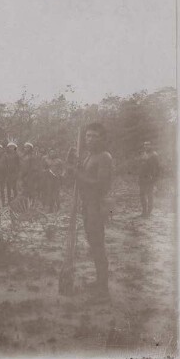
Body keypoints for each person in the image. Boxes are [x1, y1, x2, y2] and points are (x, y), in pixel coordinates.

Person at [69, 122, 113, 300]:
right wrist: (73, 164)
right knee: (93, 242)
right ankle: (99, 282)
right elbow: (81, 177)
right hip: (87, 205)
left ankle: (103, 289)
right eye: (87, 136)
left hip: (97, 205)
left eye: (94, 136)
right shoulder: (88, 156)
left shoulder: (104, 157)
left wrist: (77, 174)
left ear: (102, 138)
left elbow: (101, 185)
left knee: (97, 244)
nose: (90, 139)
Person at [138, 141, 160, 217]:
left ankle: (149, 212)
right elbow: (141, 165)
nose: (146, 146)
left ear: (151, 146)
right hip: (142, 177)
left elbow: (156, 168)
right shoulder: (143, 154)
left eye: (147, 145)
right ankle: (144, 211)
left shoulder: (154, 155)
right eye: (145, 145)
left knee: (149, 194)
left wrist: (154, 178)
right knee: (142, 194)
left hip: (149, 177)